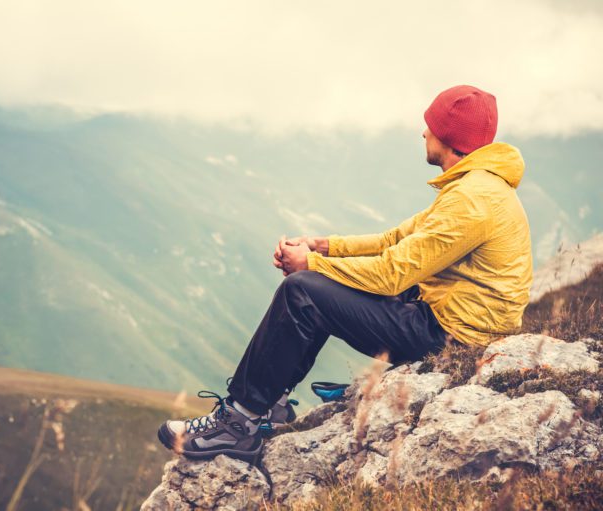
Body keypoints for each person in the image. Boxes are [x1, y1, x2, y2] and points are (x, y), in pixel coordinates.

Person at [156, 85, 533, 461]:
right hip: (452, 318)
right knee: (322, 285)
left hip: (451, 336)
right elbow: (395, 239)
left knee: (302, 291)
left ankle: (237, 424)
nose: (423, 133)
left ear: (449, 137)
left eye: (430, 126)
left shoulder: (471, 200)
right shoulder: (477, 187)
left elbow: (391, 275)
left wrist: (310, 266)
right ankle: (270, 405)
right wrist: (322, 247)